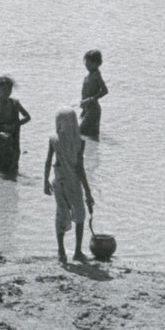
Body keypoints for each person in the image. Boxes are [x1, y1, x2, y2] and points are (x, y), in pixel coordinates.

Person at [45, 108, 94, 263]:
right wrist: (88, 191)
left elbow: (48, 161)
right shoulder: (80, 142)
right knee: (80, 214)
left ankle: (61, 252)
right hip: (74, 183)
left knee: (61, 214)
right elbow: (80, 168)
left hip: (59, 183)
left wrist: (45, 180)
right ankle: (78, 251)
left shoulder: (54, 139)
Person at [0, 75, 30, 176]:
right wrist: (0, 133)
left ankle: (12, 189)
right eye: (4, 89)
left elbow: (27, 117)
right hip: (0, 142)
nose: (7, 92)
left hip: (14, 140)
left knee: (13, 168)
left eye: (9, 89)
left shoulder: (15, 103)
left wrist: (15, 125)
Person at [79, 49, 109, 140]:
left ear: (96, 63)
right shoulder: (88, 76)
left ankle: (89, 152)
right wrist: (83, 109)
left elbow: (105, 90)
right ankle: (92, 153)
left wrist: (91, 99)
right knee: (88, 136)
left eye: (89, 63)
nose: (86, 65)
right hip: (87, 109)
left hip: (93, 109)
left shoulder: (97, 75)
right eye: (86, 62)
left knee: (82, 132)